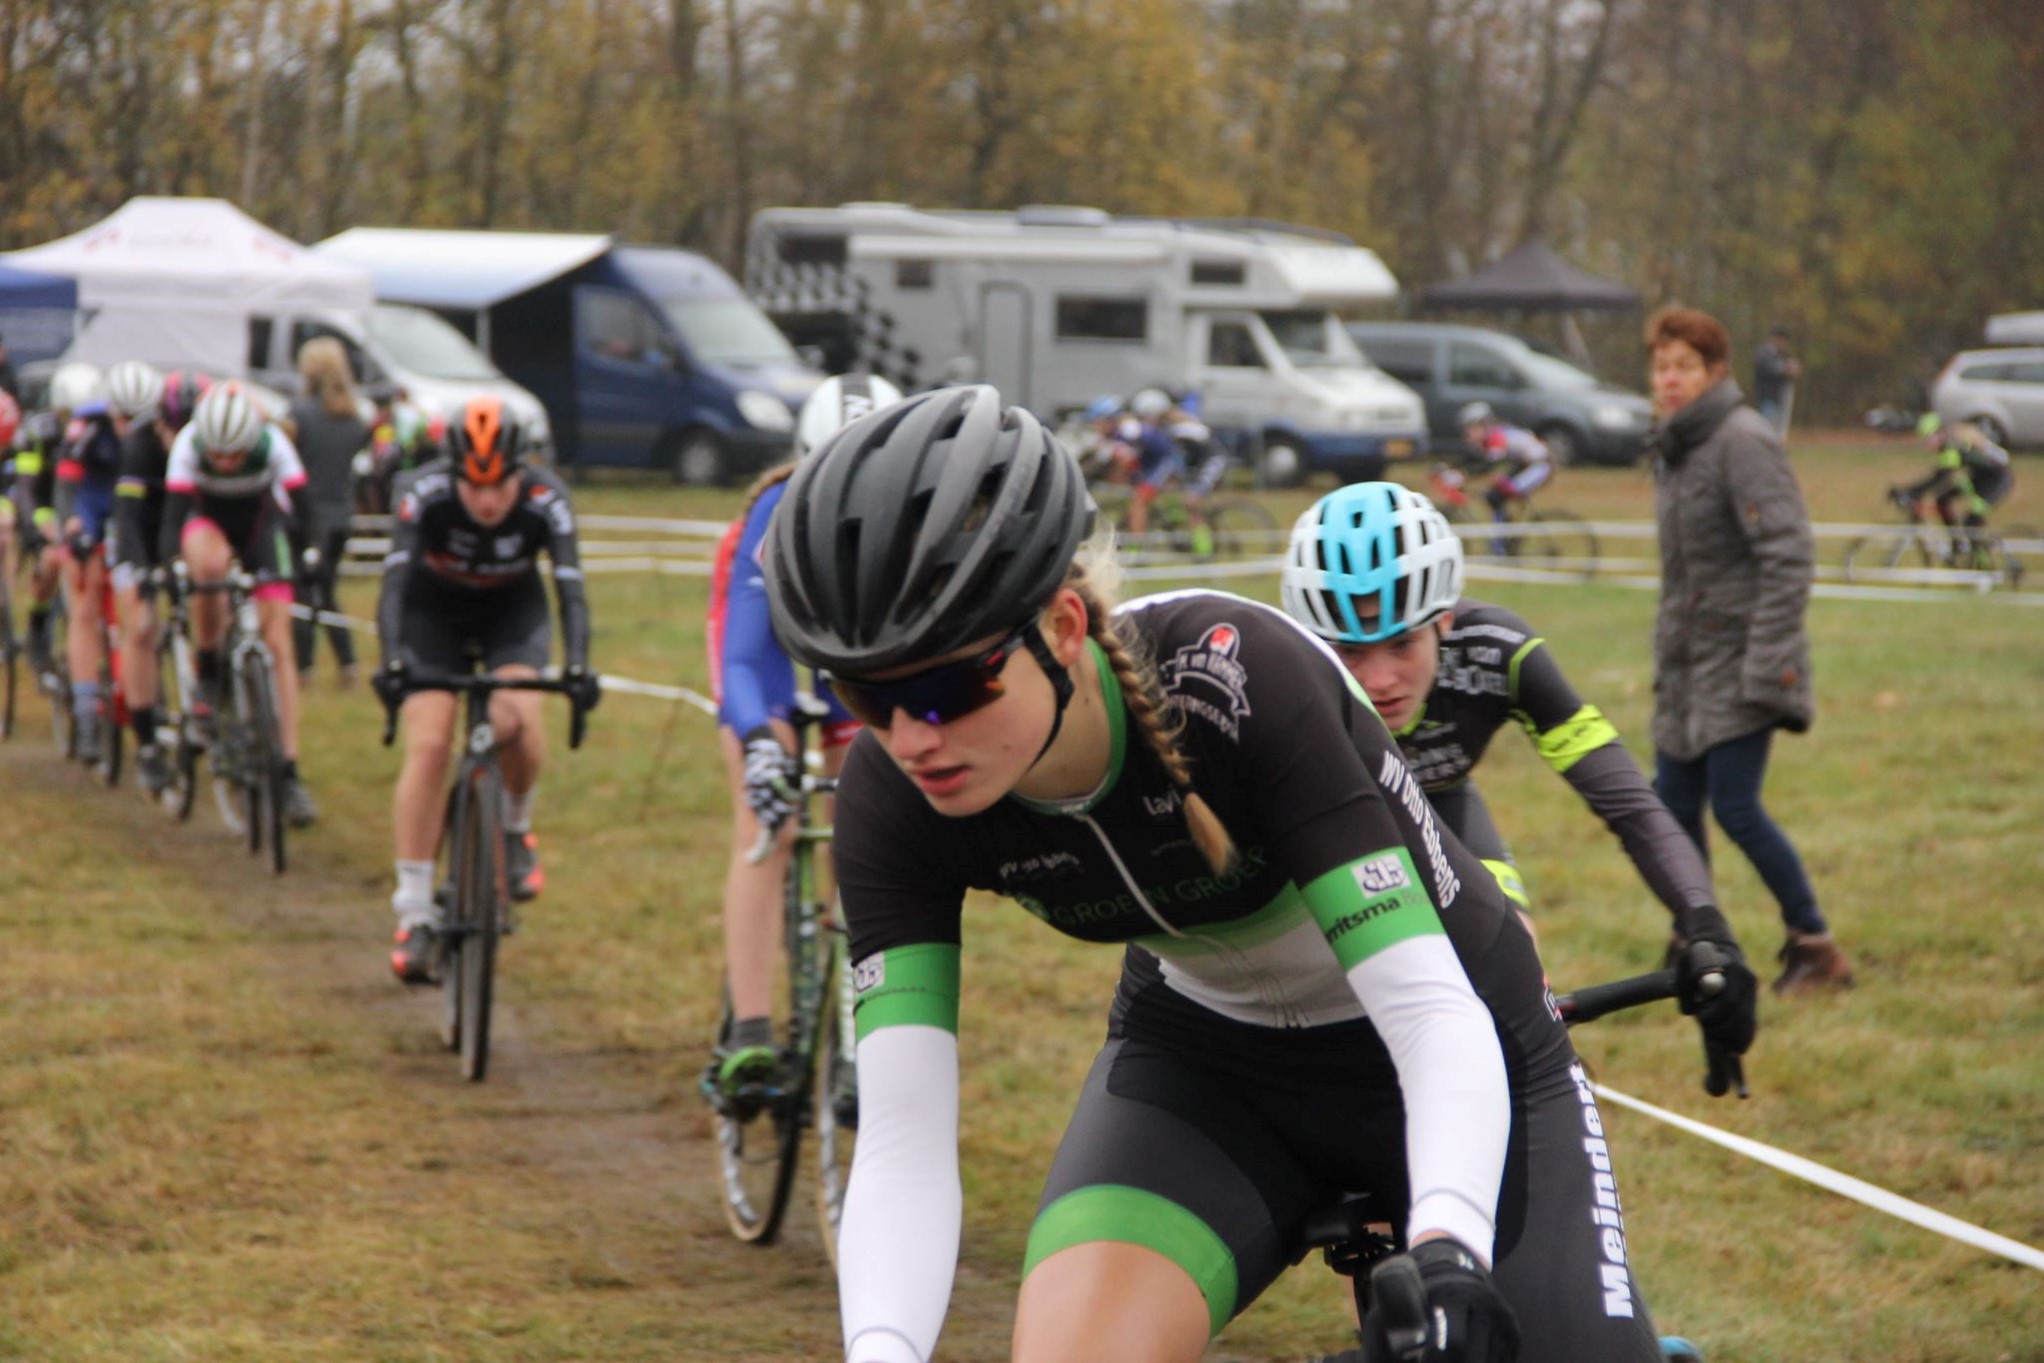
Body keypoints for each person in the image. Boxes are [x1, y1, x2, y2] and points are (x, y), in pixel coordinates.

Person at [764, 384, 1685, 1363]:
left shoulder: (1232, 680)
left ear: (1065, 627)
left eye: (952, 685)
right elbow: (903, 1135)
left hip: (1449, 1035)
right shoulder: (889, 793)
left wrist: (1451, 1251)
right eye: (864, 693)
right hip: (1208, 1068)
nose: (912, 737)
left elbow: (1425, 1011)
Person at [1279, 479, 1757, 1013]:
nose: (1381, 679)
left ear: (1444, 621)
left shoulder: (1497, 652)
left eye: (1401, 644)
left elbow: (1629, 804)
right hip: (1323, 831)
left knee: (1516, 959)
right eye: (1349, 653)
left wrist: (1707, 927)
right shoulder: (1282, 676)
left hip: (1442, 807)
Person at [703, 372, 901, 1096]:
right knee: (769, 820)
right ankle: (751, 1029)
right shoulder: (773, 514)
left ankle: (862, 1034)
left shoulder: (918, 507)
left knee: (868, 826)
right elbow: (746, 660)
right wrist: (758, 737)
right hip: (770, 660)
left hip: (850, 663)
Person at [1645, 306, 1850, 996]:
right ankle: (1697, 945)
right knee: (1670, 809)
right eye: (1662, 366)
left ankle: (1815, 945)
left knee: (1736, 807)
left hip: (1742, 664)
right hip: (1685, 670)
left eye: (1685, 367)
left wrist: (1768, 662)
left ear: (1715, 371)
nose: (1671, 380)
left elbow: (1788, 552)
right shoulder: (1675, 446)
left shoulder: (1742, 440)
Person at [372, 396, 597, 983]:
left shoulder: (548, 499)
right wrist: (392, 659)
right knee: (429, 743)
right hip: (432, 615)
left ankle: (516, 829)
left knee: (518, 718)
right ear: (453, 476)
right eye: (474, 487)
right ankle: (415, 911)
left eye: (500, 485)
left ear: (522, 471)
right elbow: (394, 586)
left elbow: (571, 590)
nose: (489, 500)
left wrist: (577, 666)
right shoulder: (422, 494)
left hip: (511, 615)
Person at [159, 380, 320, 826]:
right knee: (207, 571)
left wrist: (311, 559)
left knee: (279, 639)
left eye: (236, 454)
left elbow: (305, 509)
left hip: (261, 527)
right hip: (207, 523)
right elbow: (173, 519)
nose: (227, 463)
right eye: (219, 455)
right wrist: (174, 568)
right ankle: (208, 669)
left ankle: (288, 772)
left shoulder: (273, 444)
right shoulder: (190, 442)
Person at [109, 369, 207, 796]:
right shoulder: (138, 445)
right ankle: (146, 742)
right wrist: (143, 573)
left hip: (183, 534)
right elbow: (126, 518)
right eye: (172, 429)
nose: (177, 439)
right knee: (143, 625)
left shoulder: (209, 445)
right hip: (139, 538)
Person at [286, 339, 370, 684]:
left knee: (303, 596)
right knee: (328, 591)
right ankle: (347, 663)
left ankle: (303, 667)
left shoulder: (299, 416)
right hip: (340, 518)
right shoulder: (354, 419)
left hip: (305, 520)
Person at [50, 363, 122, 763]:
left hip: (121, 511)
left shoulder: (128, 424)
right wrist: (71, 531)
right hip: (86, 510)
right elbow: (65, 488)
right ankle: (85, 708)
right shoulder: (81, 429)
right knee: (84, 605)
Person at [1897, 414, 2013, 562]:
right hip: (1979, 477)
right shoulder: (1947, 446)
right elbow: (1938, 477)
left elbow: (1940, 477)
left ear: (1938, 433)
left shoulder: (1953, 446)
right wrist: (1910, 491)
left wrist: (1911, 492)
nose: (1926, 444)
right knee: (1942, 500)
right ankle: (1958, 543)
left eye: (1928, 439)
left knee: (1971, 521)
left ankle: (1984, 565)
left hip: (1997, 480)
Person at [1457, 401, 1553, 532]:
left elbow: (1490, 465)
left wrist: (1464, 476)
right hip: (1523, 464)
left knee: (1502, 492)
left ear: (1483, 425)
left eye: (1470, 428)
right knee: (1495, 495)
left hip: (1540, 466)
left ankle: (1504, 536)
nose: (1467, 433)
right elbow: (1473, 461)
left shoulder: (1496, 437)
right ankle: (1505, 531)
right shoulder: (1487, 438)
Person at [1751, 327, 1801, 434]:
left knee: (1778, 429)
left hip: (1779, 397)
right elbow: (1769, 368)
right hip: (1768, 397)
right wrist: (1785, 368)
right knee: (1767, 428)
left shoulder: (1781, 354)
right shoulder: (1763, 353)